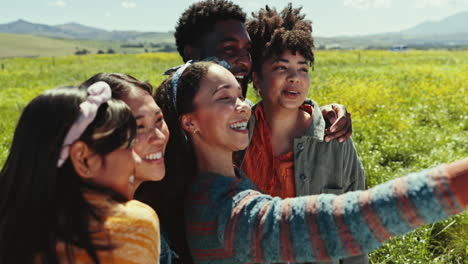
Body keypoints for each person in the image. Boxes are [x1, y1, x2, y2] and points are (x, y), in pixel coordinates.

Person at [156, 60, 468, 264]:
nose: (243, 107)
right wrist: (458, 182)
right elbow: (338, 223)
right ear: (189, 123)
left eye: (241, 96)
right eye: (224, 98)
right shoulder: (223, 210)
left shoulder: (220, 181)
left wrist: (317, 110)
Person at [241, 5, 366, 263]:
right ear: (256, 79)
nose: (295, 78)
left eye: (302, 68)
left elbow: (354, 225)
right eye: (281, 68)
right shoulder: (238, 137)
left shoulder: (335, 138)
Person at [0, 83, 160, 263]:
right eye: (129, 146)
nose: (136, 161)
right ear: (83, 158)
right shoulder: (134, 224)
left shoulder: (12, 227)